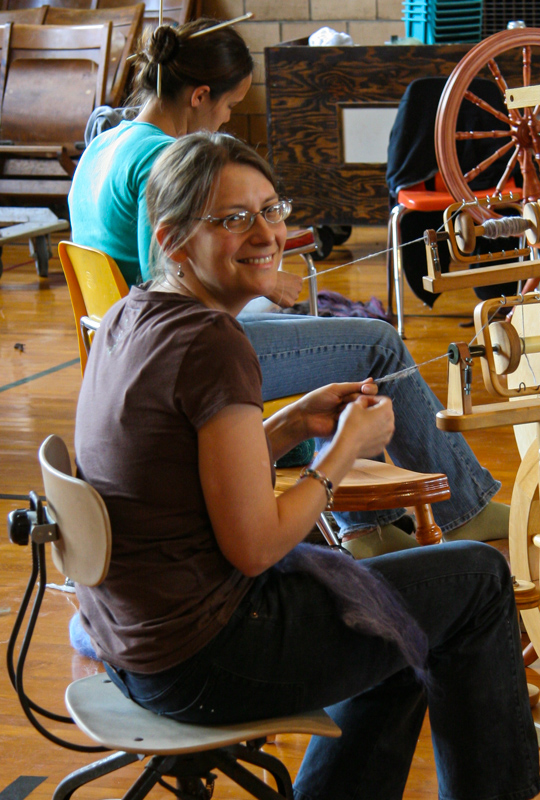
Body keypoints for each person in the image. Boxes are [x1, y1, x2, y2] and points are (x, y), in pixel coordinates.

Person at [73, 131, 540, 800]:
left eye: (270, 210)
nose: (265, 235)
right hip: (204, 659)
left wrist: (291, 425)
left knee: (390, 594)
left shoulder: (134, 317)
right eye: (232, 219)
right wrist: (339, 456)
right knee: (474, 581)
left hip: (141, 645)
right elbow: (255, 546)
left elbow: (180, 479)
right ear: (172, 238)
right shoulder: (211, 344)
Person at [67, 18, 508, 558]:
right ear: (201, 96)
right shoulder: (164, 160)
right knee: (374, 342)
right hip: (171, 352)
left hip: (119, 343)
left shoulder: (103, 143)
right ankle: (463, 509)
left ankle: (369, 527)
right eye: (229, 107)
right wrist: (263, 277)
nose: (228, 118)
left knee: (340, 342)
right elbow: (164, 273)